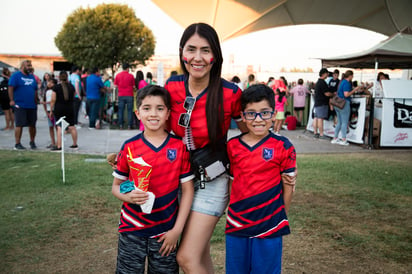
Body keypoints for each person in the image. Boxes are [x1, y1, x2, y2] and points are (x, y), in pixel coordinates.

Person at [164, 22, 247, 273]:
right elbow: (159, 130)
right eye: (191, 49)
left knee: (186, 258)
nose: (197, 58)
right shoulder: (171, 87)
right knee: (200, 253)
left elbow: (249, 134)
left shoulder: (231, 93)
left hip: (212, 180)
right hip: (179, 180)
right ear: (182, 53)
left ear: (215, 56)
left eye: (205, 50)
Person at [111, 85, 194, 273]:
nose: (153, 114)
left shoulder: (178, 148)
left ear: (168, 114)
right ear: (138, 113)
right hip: (131, 228)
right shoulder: (129, 147)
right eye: (146, 108)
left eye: (160, 108)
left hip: (166, 232)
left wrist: (177, 230)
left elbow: (188, 190)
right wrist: (128, 196)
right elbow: (118, 186)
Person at [225, 84, 297, 274]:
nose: (258, 119)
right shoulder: (232, 146)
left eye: (264, 113)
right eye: (251, 113)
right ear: (243, 115)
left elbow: (288, 186)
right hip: (237, 223)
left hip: (269, 224)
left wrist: (280, 216)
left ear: (273, 114)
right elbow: (233, 181)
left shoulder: (284, 146)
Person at [8, 60, 39, 150]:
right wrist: (11, 100)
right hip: (20, 104)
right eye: (28, 65)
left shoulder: (32, 77)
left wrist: (36, 99)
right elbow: (10, 88)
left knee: (32, 125)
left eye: (30, 65)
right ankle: (17, 143)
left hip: (32, 105)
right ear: (22, 66)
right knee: (19, 124)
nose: (29, 67)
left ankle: (32, 142)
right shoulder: (16, 76)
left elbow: (35, 89)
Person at [50, 71, 78, 150]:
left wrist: (51, 110)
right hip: (70, 108)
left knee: (59, 127)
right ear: (67, 77)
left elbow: (53, 100)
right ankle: (75, 144)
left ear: (59, 77)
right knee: (72, 126)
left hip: (59, 108)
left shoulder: (56, 87)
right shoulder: (71, 87)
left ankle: (59, 145)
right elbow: (74, 95)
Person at [331, 70, 361, 146]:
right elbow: (346, 94)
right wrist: (354, 90)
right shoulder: (347, 83)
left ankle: (335, 138)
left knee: (339, 122)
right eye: (352, 76)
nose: (353, 77)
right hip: (344, 104)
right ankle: (343, 139)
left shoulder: (342, 82)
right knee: (344, 122)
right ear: (350, 76)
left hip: (337, 104)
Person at [313, 68, 333, 140]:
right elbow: (327, 93)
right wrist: (333, 94)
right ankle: (321, 134)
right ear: (324, 74)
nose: (328, 75)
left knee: (316, 118)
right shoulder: (323, 83)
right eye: (327, 73)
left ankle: (315, 132)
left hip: (317, 103)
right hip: (322, 103)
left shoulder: (318, 82)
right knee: (320, 119)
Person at [114, 63, 135, 130]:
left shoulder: (118, 75)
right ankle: (129, 126)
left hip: (121, 95)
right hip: (129, 95)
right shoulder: (131, 76)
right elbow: (134, 86)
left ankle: (121, 125)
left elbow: (115, 86)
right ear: (128, 68)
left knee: (121, 110)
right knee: (129, 110)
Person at [43, 78, 57, 149]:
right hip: (49, 110)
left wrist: (44, 103)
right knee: (50, 126)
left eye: (51, 83)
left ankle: (58, 142)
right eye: (49, 82)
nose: (49, 84)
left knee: (56, 126)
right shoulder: (46, 91)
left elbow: (52, 101)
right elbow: (46, 101)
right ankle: (53, 142)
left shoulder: (54, 91)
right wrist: (46, 111)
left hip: (53, 110)